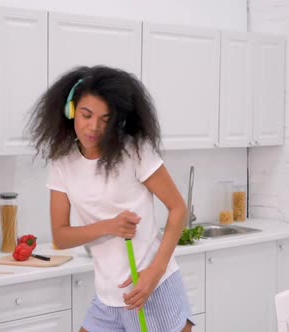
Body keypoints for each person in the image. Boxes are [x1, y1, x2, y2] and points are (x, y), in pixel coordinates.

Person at [29, 65, 193, 332]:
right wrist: (110, 226)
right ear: (71, 111)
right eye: (86, 115)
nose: (94, 127)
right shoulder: (62, 163)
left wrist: (154, 273)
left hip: (152, 291)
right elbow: (61, 237)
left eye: (105, 119)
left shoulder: (135, 151)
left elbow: (178, 208)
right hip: (107, 298)